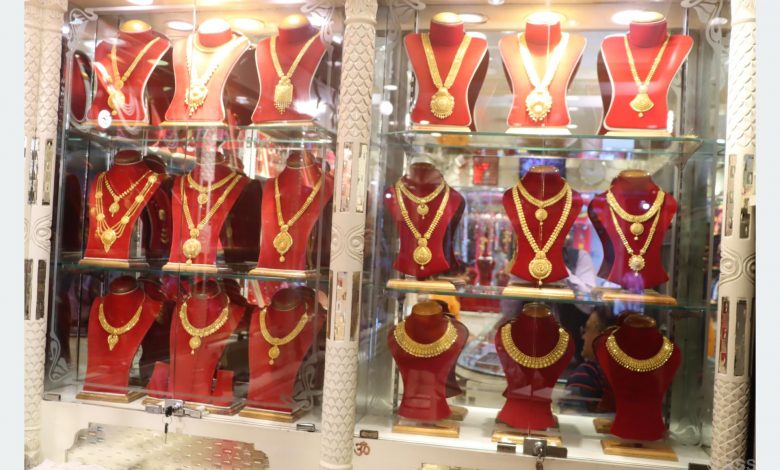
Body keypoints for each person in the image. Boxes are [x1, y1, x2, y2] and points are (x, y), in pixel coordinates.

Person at [565, 306, 615, 403]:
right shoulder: (628, 375)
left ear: (602, 337)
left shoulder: (585, 375)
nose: (583, 337)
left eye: (587, 329)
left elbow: (570, 411)